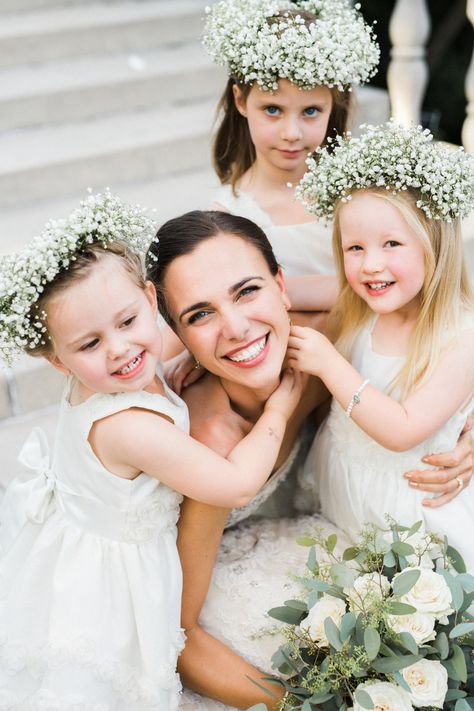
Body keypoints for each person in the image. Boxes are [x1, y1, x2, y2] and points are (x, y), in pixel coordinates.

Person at [146, 209, 473, 710]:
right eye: (200, 315)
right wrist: (301, 705)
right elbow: (177, 633)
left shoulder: (327, 350)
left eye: (247, 290)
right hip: (211, 594)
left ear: (282, 286)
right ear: (179, 336)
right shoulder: (211, 445)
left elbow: (442, 317)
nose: (236, 328)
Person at [0, 192, 302, 709]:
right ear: (57, 361)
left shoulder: (129, 360)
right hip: (112, 580)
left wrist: (190, 348)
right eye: (89, 345)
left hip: (84, 526)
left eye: (127, 323)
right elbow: (235, 483)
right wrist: (280, 409)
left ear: (149, 300)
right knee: (106, 684)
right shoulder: (128, 425)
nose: (119, 349)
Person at [290, 122, 474, 569]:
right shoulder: (361, 303)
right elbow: (278, 291)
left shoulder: (459, 335)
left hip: (408, 513)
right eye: (354, 247)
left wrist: (329, 364)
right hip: (347, 486)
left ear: (435, 243)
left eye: (392, 243)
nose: (371, 265)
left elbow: (402, 430)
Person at [204, 0, 380, 311]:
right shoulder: (228, 216)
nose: (292, 133)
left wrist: (278, 290)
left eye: (311, 111)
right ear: (241, 100)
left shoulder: (359, 193)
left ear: (332, 106)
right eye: (273, 110)